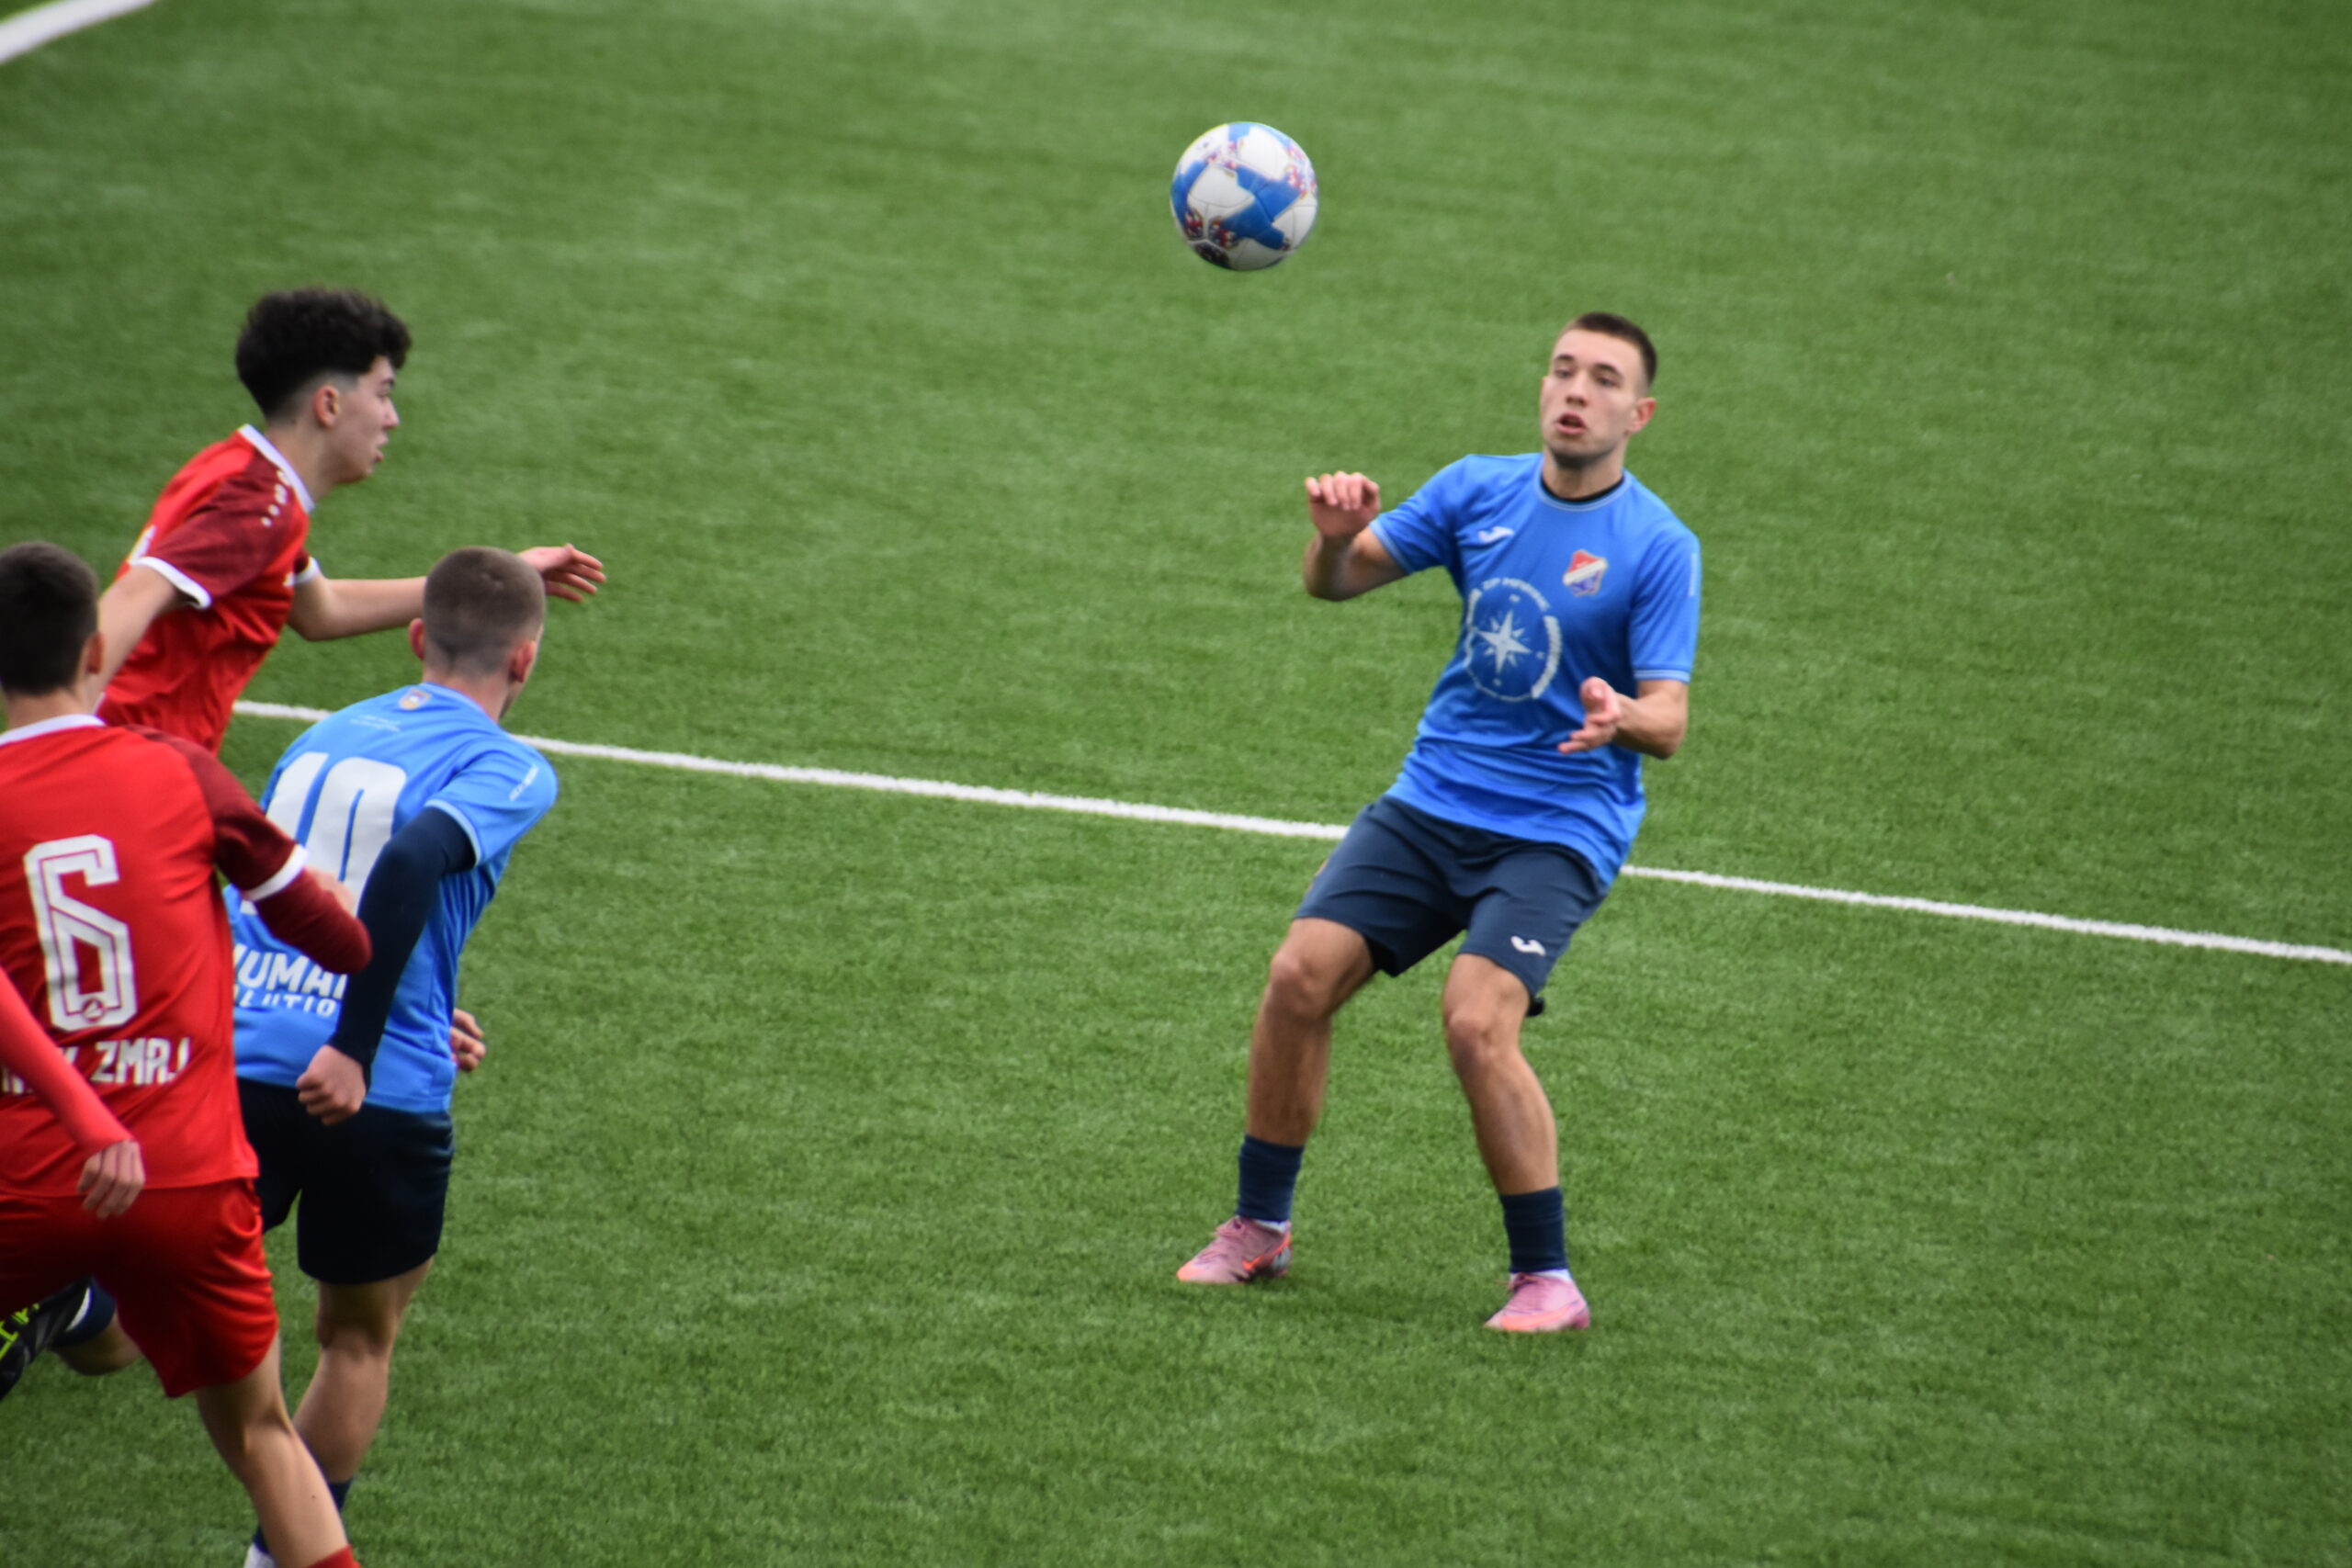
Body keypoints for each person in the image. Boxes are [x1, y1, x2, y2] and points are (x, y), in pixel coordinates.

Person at [1176, 313, 1702, 1332]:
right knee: (1297, 977)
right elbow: (1335, 582)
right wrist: (1333, 540)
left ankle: (1547, 1279)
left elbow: (1670, 720)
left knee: (1474, 1020)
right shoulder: (1476, 489)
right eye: (1562, 370)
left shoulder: (1658, 545)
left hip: (1557, 824)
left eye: (1603, 379)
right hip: (1431, 801)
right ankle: (1259, 1226)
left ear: (1637, 414)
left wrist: (1622, 717)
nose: (1575, 391)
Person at [0, 541, 376, 1568]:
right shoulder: (180, 770)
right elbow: (335, 939)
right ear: (95, 651)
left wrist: (84, 1115)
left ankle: (74, 1307)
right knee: (261, 1436)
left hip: (31, 1175)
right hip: (190, 1178)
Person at [226, 547, 560, 1567]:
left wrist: (420, 997)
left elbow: (267, 890)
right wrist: (357, 1040)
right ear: (525, 660)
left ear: (418, 635)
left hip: (239, 1058)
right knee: (357, 1339)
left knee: (156, 1299)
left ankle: (74, 1302)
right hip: (371, 1091)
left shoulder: (317, 738)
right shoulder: (508, 765)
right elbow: (411, 858)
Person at [93, 287, 605, 754]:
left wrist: (499, 580)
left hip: (150, 758)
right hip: (128, 764)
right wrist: (64, 726)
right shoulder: (258, 507)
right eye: (382, 393)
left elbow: (323, 611)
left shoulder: (241, 474)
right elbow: (134, 596)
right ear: (329, 404)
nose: (392, 418)